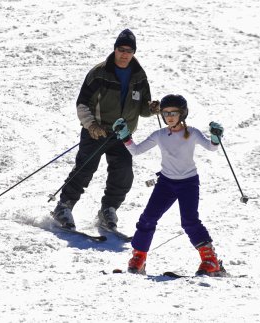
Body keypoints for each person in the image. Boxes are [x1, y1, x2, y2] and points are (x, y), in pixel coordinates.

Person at [52, 29, 160, 231]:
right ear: (115, 49)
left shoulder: (139, 76)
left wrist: (152, 109)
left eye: (129, 50)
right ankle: (63, 206)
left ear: (134, 52)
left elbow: (142, 108)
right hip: (97, 132)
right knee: (85, 169)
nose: (124, 54)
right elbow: (82, 104)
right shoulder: (99, 73)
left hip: (122, 134)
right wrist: (91, 125)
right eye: (121, 49)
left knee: (123, 173)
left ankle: (108, 209)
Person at [113, 94, 226, 276]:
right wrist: (125, 136)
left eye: (174, 112)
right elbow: (136, 150)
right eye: (165, 113)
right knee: (148, 218)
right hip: (166, 183)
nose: (169, 116)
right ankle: (139, 256)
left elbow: (212, 147)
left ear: (183, 114)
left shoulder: (193, 133)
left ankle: (210, 260)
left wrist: (216, 136)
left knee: (189, 221)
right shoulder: (159, 135)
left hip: (188, 183)